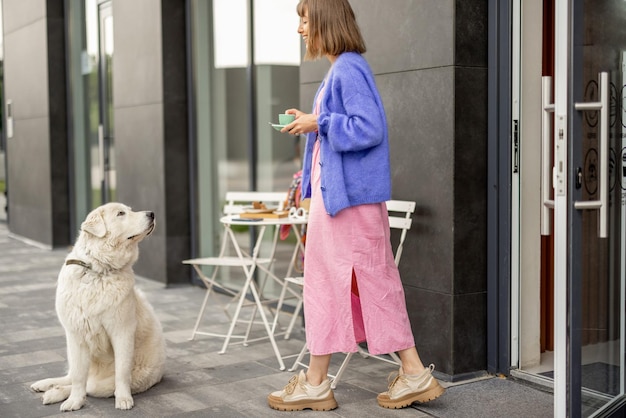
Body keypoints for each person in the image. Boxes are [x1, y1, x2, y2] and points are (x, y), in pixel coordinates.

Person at [267, 0, 445, 412]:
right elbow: (345, 127)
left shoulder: (347, 68)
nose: (301, 31)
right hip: (345, 204)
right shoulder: (343, 69)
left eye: (305, 21)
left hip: (347, 207)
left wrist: (319, 122)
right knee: (362, 283)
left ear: (325, 22)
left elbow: (369, 128)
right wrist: (312, 119)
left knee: (337, 283)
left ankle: (319, 384)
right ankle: (410, 373)